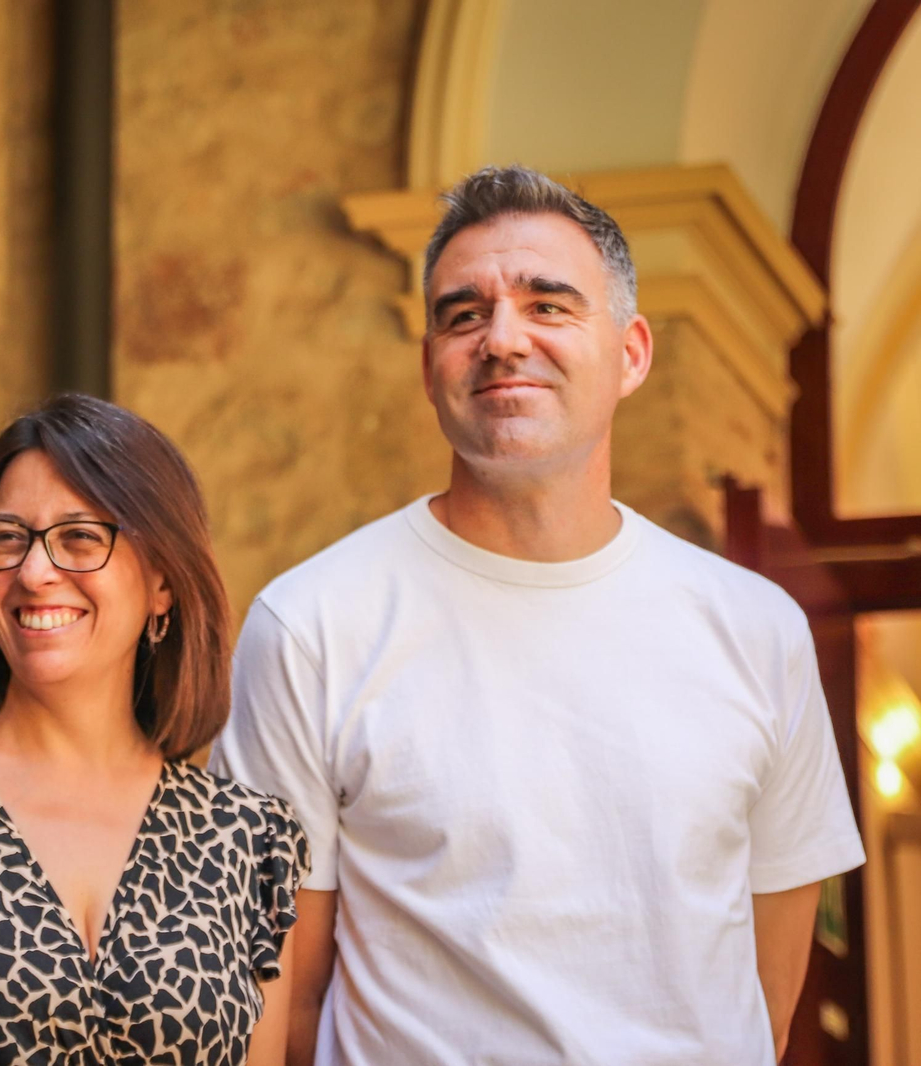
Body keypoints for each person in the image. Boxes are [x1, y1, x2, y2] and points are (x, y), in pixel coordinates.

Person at [213, 165, 866, 1066]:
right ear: (429, 363)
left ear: (631, 353)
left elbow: (766, 995)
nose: (502, 339)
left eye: (548, 305)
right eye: (463, 313)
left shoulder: (758, 630)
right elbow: (279, 993)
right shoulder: (312, 624)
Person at [0, 394, 309, 1066]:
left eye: (81, 537)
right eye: (9, 538)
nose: (35, 573)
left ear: (162, 581)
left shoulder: (247, 839)